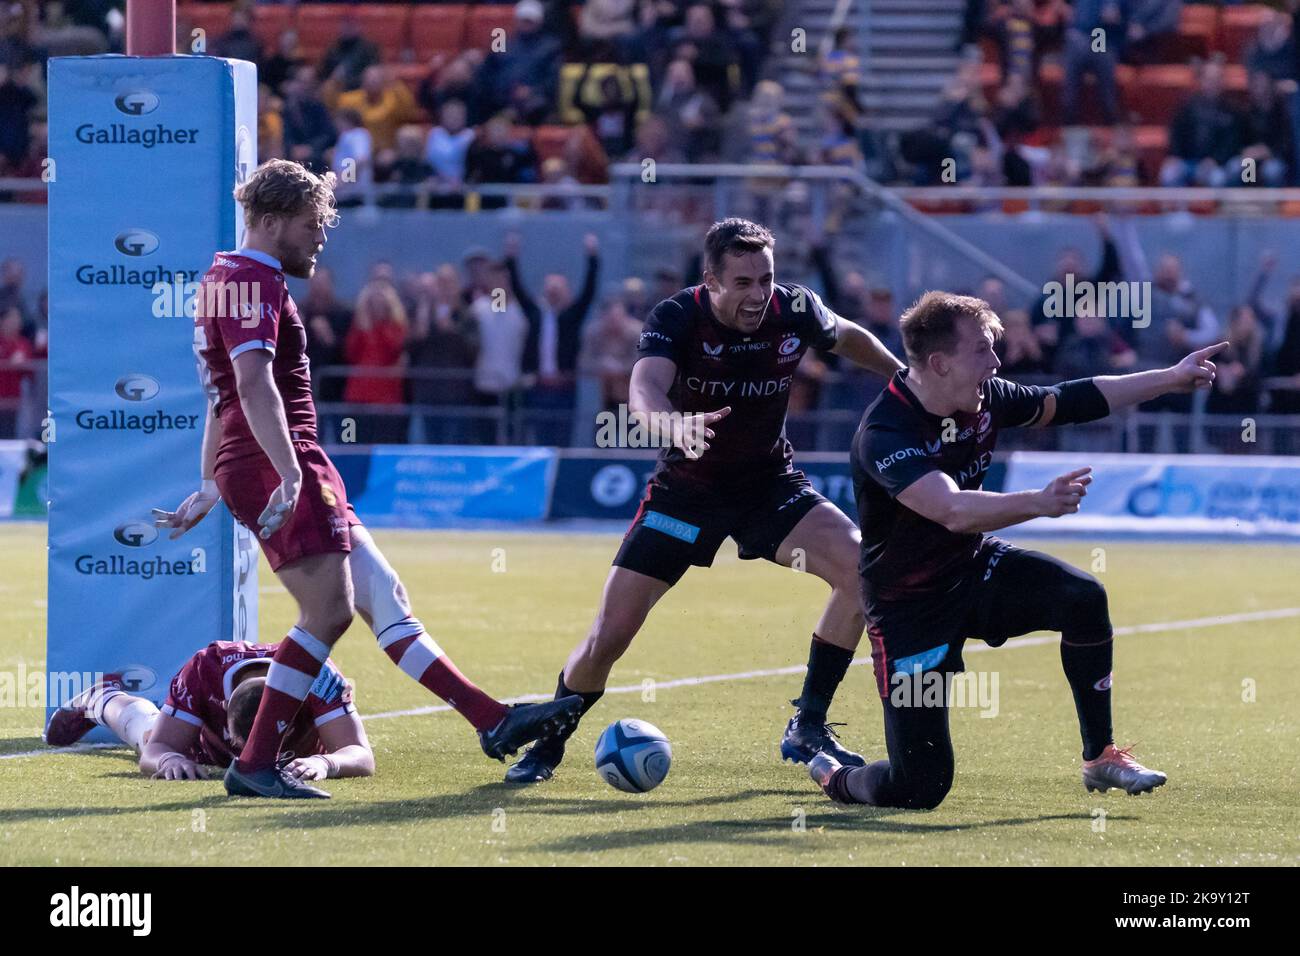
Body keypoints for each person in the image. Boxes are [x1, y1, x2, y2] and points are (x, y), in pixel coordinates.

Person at [155, 160, 581, 798]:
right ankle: (256, 762)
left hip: (266, 458)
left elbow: (222, 396)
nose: (321, 237)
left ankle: (491, 721)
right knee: (327, 611)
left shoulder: (228, 273)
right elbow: (250, 384)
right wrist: (290, 472)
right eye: (310, 224)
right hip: (280, 457)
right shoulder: (252, 280)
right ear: (271, 222)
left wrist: (214, 482)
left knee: (383, 595)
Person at [504, 218, 905, 784]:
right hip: (686, 494)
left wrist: (903, 379)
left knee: (865, 569)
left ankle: (809, 724)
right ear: (710, 280)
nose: (757, 295)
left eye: (765, 279)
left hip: (769, 486)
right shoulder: (676, 317)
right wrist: (673, 425)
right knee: (609, 636)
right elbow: (643, 391)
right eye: (741, 282)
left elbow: (848, 336)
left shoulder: (795, 309)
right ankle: (548, 746)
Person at [809, 291, 1225, 809]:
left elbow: (1069, 399)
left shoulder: (985, 399)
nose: (997, 363)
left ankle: (1101, 757)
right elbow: (951, 509)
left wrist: (1169, 378)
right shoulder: (885, 431)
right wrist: (1039, 502)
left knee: (1082, 598)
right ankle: (833, 773)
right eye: (983, 350)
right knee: (920, 787)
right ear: (939, 364)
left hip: (973, 570)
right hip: (908, 609)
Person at [44, 641, 374, 784]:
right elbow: (157, 751)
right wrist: (168, 760)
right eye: (249, 744)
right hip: (207, 752)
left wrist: (326, 762)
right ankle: (101, 698)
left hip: (301, 759)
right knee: (147, 733)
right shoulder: (205, 669)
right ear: (225, 705)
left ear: (298, 704)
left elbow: (361, 755)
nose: (255, 755)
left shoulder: (316, 674)